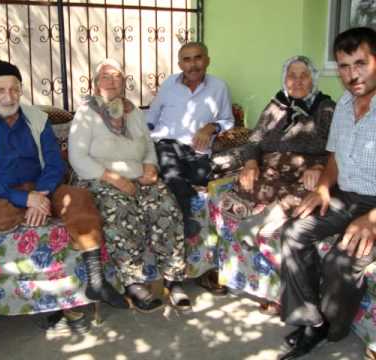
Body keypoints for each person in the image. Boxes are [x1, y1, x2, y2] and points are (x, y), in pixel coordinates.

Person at [0, 60, 127, 309]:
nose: (8, 96)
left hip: (43, 187)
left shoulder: (37, 118)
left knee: (78, 198)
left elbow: (55, 165)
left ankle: (97, 280)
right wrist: (25, 200)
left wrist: (40, 195)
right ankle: (32, 211)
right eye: (0, 90)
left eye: (14, 89)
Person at [279, 27, 376, 360]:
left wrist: (372, 219)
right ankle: (311, 321)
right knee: (293, 232)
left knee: (339, 260)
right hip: (346, 195)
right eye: (344, 67)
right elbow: (334, 156)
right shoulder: (346, 105)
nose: (352, 75)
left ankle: (334, 329)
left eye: (360, 63)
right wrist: (322, 187)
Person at [213, 55, 335, 315]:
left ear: (314, 79)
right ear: (284, 79)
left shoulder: (326, 109)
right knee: (223, 197)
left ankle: (271, 215)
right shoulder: (276, 106)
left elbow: (338, 150)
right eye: (292, 75)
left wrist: (319, 167)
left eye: (304, 75)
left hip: (305, 174)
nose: (298, 81)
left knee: (305, 194)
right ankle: (265, 215)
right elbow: (253, 142)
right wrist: (250, 165)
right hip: (271, 175)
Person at [68, 59, 189, 313]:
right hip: (99, 178)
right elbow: (77, 158)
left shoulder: (133, 111)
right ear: (95, 82)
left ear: (123, 81)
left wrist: (150, 167)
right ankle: (133, 283)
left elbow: (148, 145)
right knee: (121, 212)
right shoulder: (87, 113)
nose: (111, 81)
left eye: (117, 76)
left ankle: (173, 279)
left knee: (166, 207)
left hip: (138, 176)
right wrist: (115, 179)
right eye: (105, 76)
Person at [146, 41, 234, 294]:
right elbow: (151, 120)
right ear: (179, 63)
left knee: (200, 176)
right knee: (172, 172)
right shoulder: (169, 86)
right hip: (166, 144)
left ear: (207, 59)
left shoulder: (219, 87)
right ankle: (185, 222)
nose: (192, 64)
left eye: (197, 58)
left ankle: (184, 197)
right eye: (186, 59)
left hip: (196, 152)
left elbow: (228, 120)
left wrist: (212, 127)